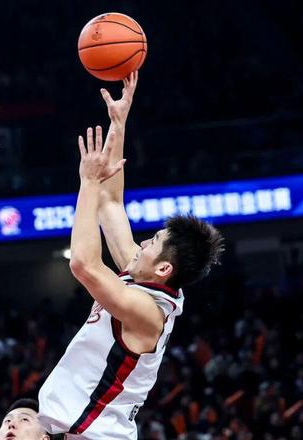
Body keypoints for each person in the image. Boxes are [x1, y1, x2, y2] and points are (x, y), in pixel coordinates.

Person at [38, 72, 224, 439]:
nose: (141, 245)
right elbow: (111, 202)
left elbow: (83, 264)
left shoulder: (148, 312)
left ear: (164, 268)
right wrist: (118, 122)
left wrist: (87, 183)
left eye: (152, 241)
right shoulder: (141, 275)